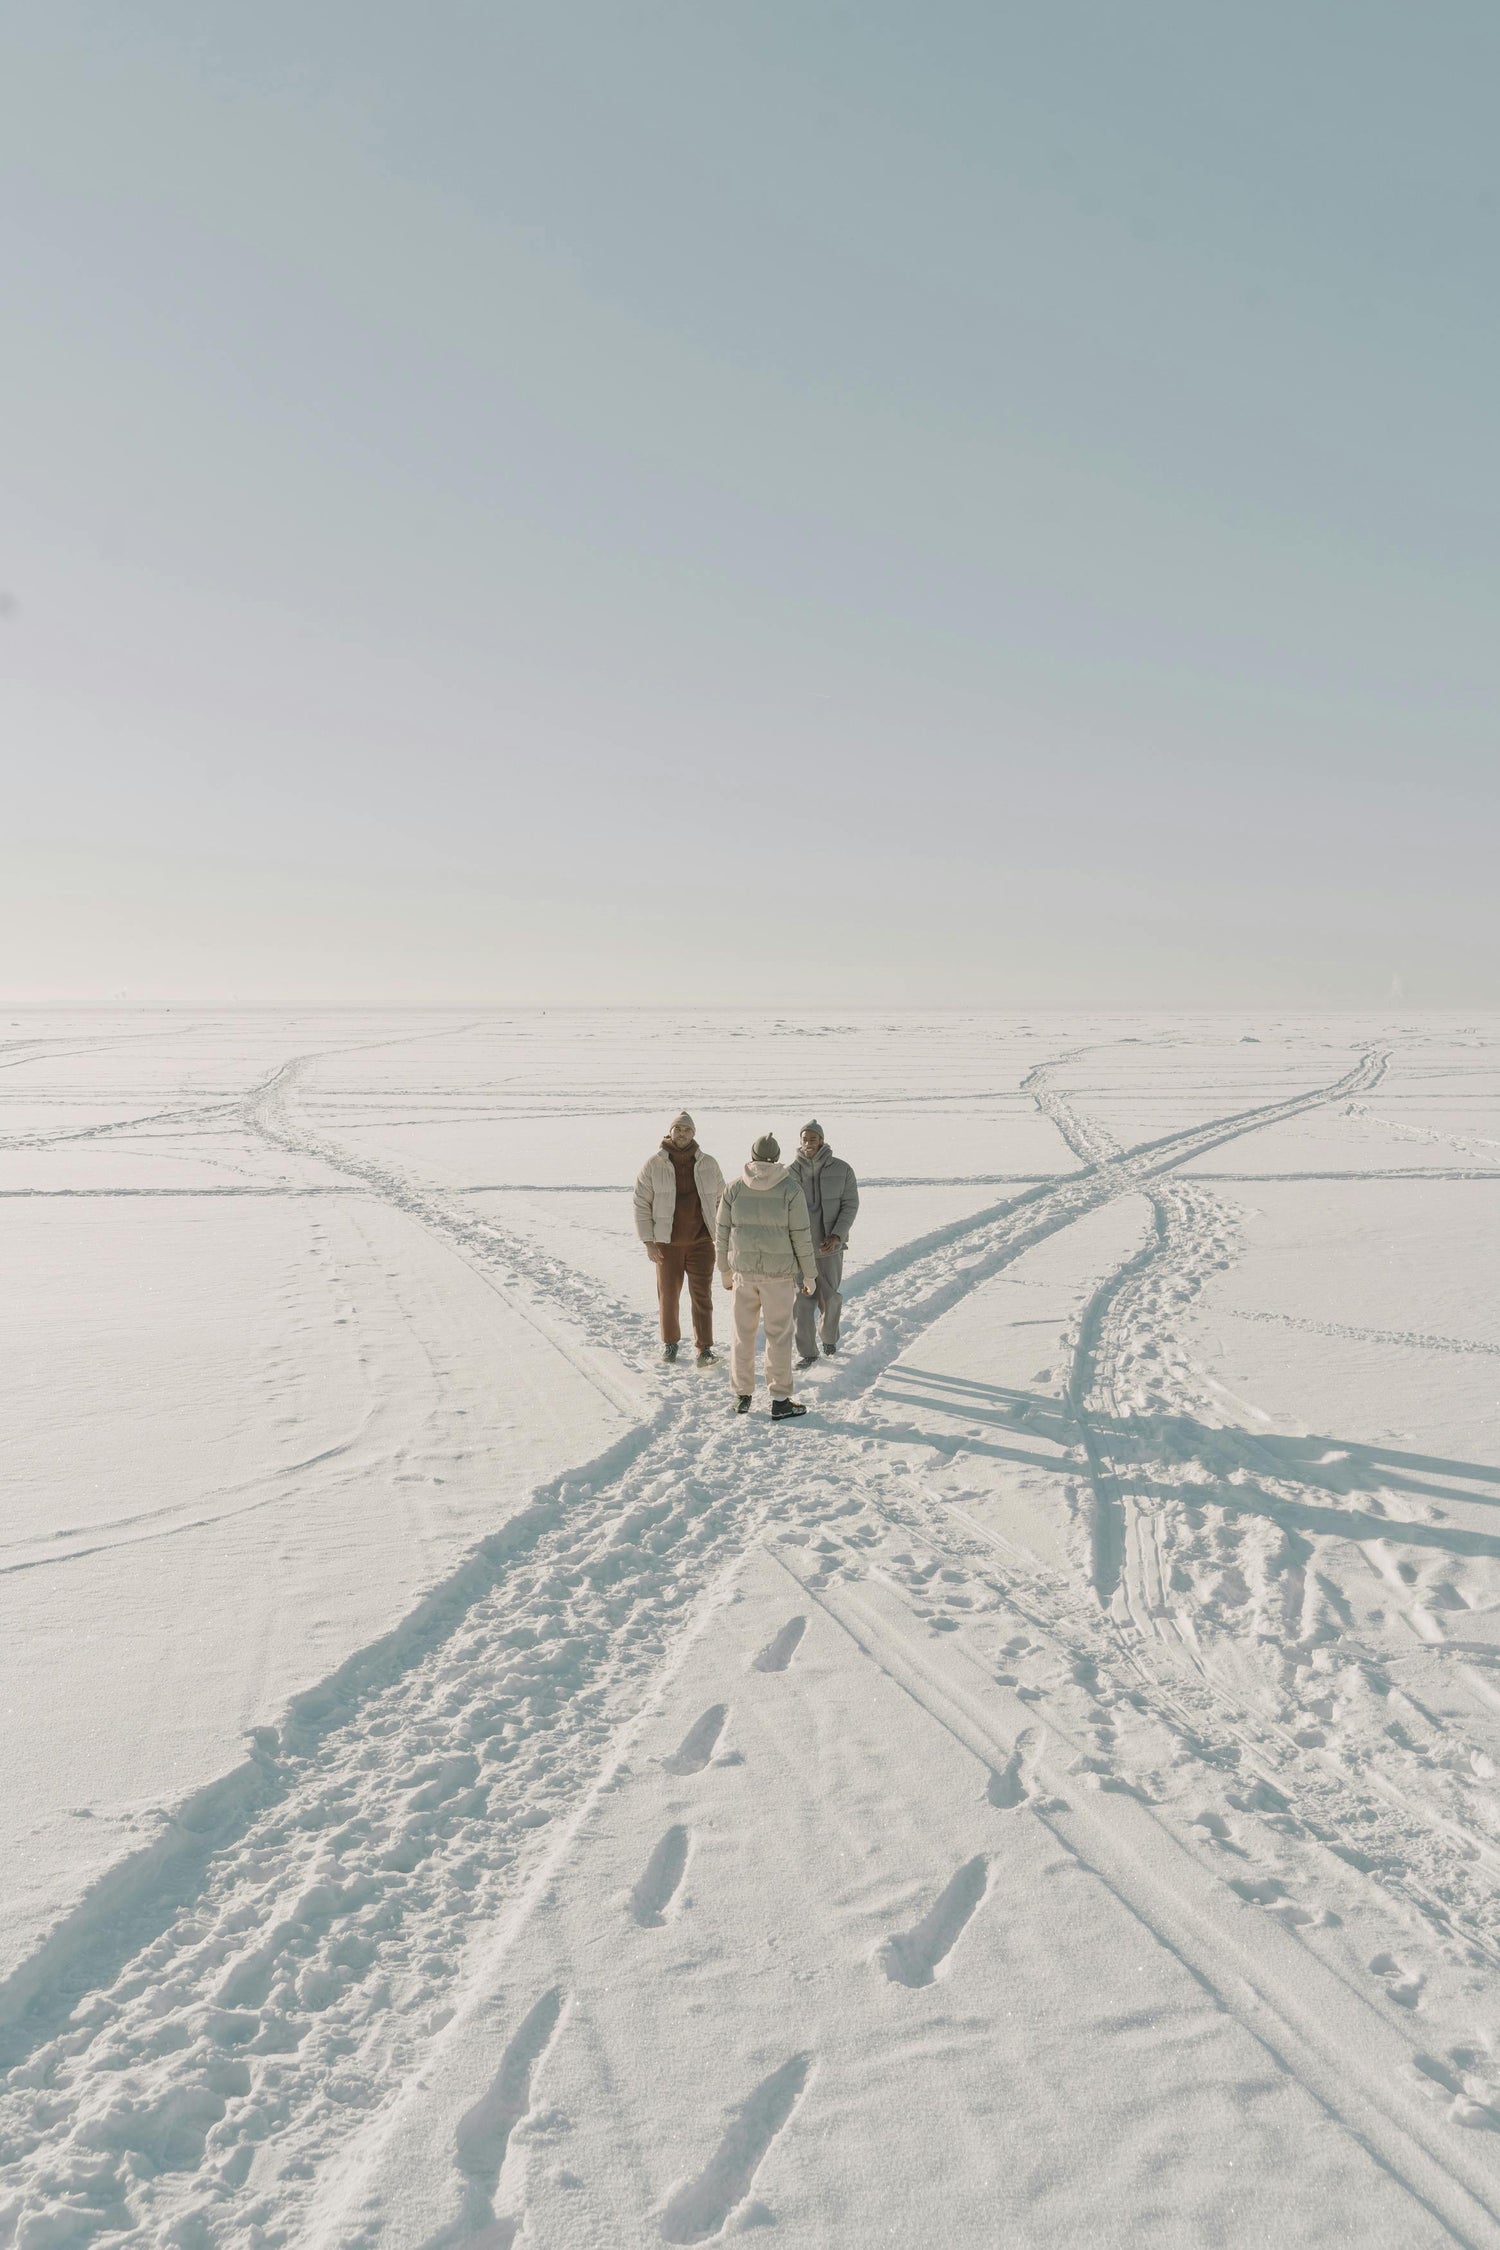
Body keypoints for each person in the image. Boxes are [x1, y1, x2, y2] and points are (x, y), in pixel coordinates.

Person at [715, 1133, 818, 1420]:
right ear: (777, 1157)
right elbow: (801, 1236)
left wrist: (724, 1269)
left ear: (752, 1155)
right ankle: (780, 1399)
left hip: (743, 1275)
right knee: (779, 1336)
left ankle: (742, 1395)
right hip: (779, 1278)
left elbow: (721, 1233)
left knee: (742, 1334)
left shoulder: (733, 1188)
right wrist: (810, 1275)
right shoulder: (790, 1190)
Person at [633, 1111, 726, 1365]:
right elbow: (641, 1203)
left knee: (702, 1296)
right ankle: (670, 1344)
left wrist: (722, 1232)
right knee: (668, 1296)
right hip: (667, 1245)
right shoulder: (654, 1164)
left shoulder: (708, 1164)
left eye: (687, 1129)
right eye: (678, 1129)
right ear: (670, 1132)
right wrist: (649, 1241)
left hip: (701, 1243)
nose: (682, 1133)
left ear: (694, 1133)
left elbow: (722, 1200)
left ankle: (704, 1349)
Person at [789, 1119, 859, 1366]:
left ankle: (829, 1339)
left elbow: (850, 1205)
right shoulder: (789, 1173)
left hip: (830, 1248)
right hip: (801, 1250)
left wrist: (837, 1236)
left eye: (813, 1138)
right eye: (805, 1138)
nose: (808, 1143)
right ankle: (808, 1353)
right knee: (802, 1304)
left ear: (822, 1140)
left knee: (830, 1298)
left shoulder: (842, 1169)